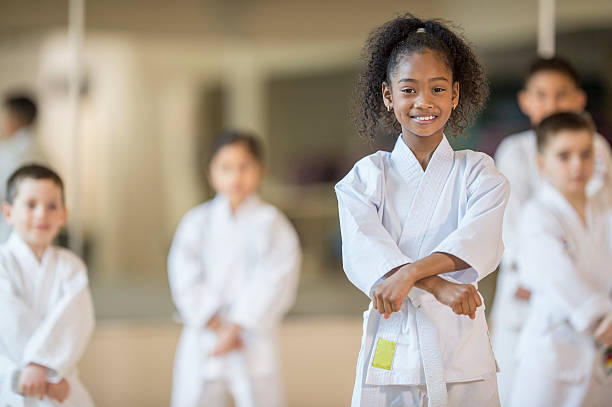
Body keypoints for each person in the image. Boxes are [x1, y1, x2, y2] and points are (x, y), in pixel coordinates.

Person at [335, 14, 509, 407]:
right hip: (392, 341)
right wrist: (437, 285)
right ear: (387, 95)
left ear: (455, 94)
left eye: (437, 88)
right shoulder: (365, 177)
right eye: (409, 89)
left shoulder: (479, 172)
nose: (423, 102)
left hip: (461, 344)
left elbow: (479, 241)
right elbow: (365, 253)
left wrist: (410, 273)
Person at [490, 56, 612, 405]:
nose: (578, 165)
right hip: (532, 297)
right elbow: (521, 241)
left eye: (561, 94)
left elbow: (598, 218)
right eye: (541, 95)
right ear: (526, 101)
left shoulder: (598, 148)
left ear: (578, 100)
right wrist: (594, 308)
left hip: (592, 303)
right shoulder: (516, 155)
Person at [168, 131, 301, 407]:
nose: (235, 176)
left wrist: (238, 326)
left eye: (244, 167)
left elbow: (275, 279)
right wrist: (216, 324)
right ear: (210, 174)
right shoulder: (196, 222)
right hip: (205, 332)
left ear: (260, 170)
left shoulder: (271, 223)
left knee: (258, 398)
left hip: (251, 335)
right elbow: (184, 276)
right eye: (225, 168)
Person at [0, 164, 95, 407]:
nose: (42, 214)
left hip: (59, 382)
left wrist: (47, 368)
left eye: (52, 206)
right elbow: (8, 319)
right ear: (8, 212)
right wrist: (33, 368)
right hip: (9, 378)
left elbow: (76, 320)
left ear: (63, 215)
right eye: (31, 205)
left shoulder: (71, 267)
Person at [0, 95, 46, 243]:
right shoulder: (44, 154)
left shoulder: (8, 153)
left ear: (14, 118)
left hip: (9, 234)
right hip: (40, 234)